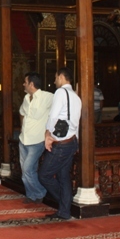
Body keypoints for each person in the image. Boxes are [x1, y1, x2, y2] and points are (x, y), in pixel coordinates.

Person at [38, 67, 82, 221]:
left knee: (44, 175)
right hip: (71, 142)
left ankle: (65, 201)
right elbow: (76, 122)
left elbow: (53, 116)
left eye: (56, 78)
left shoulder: (60, 93)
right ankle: (64, 211)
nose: (54, 81)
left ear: (62, 77)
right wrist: (76, 142)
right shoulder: (76, 97)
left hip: (61, 144)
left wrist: (47, 134)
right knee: (63, 177)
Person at [19, 72, 54, 204]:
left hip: (37, 141)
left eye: (25, 82)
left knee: (28, 169)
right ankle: (32, 195)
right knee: (26, 170)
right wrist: (23, 127)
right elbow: (21, 113)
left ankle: (40, 192)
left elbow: (61, 106)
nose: (23, 84)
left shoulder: (47, 97)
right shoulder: (26, 98)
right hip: (24, 139)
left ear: (31, 84)